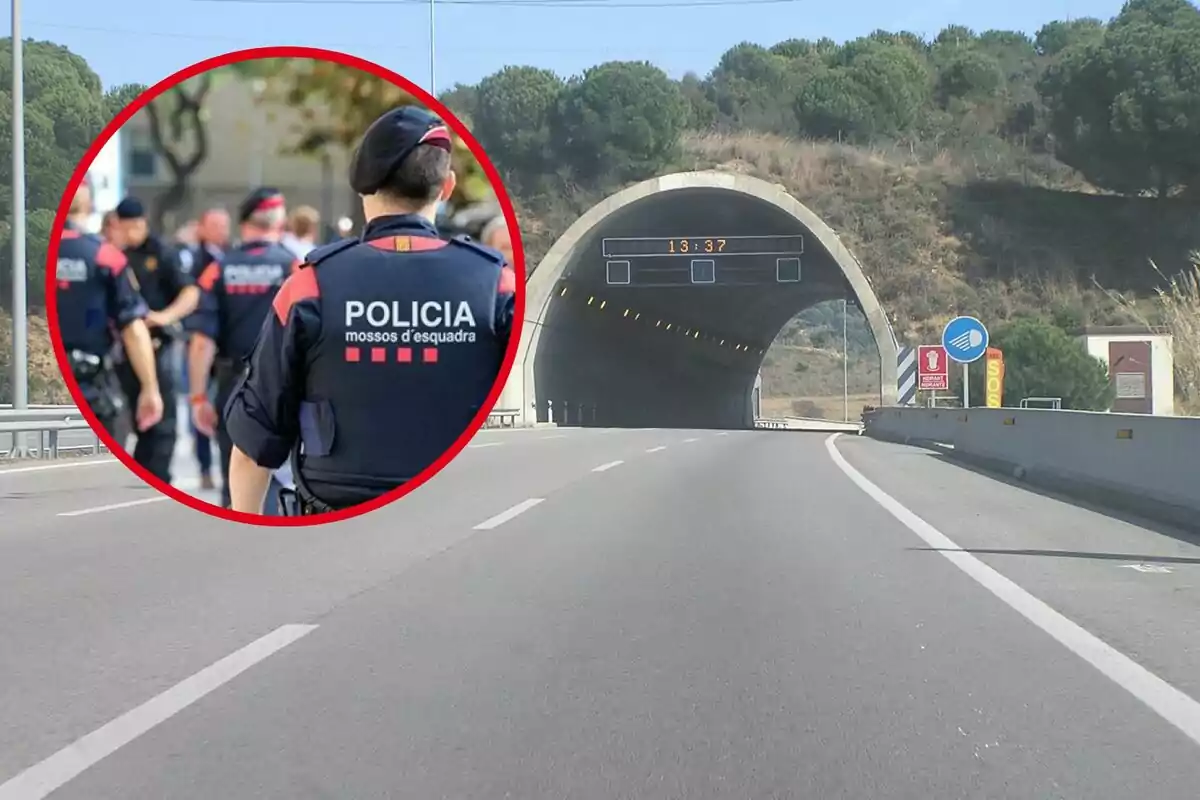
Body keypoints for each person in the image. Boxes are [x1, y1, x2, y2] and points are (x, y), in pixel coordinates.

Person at [223, 106, 517, 516]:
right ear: (446, 187)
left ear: (363, 186)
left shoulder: (310, 286)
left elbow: (254, 446)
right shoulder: (497, 284)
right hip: (462, 518)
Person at [186, 188, 300, 510]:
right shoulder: (296, 269)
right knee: (289, 483)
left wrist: (198, 397)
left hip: (234, 387)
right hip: (287, 389)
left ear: (244, 222)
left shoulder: (219, 270)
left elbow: (201, 343)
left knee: (235, 483)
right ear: (279, 221)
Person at [55, 183, 164, 440]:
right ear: (89, 205)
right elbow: (133, 328)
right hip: (91, 388)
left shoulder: (24, 251)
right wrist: (150, 387)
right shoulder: (105, 256)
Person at [113, 197, 201, 484]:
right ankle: (142, 475)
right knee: (135, 418)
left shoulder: (162, 253)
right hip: (123, 347)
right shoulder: (116, 253)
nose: (126, 235)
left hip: (157, 343)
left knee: (163, 422)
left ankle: (158, 478)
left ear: (140, 224)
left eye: (130, 229)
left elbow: (190, 293)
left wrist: (164, 316)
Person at [186, 207, 231, 491]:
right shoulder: (194, 261)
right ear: (201, 228)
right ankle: (205, 466)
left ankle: (228, 463)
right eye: (215, 225)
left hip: (228, 347)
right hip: (202, 340)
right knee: (201, 404)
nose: (221, 231)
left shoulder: (231, 258)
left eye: (224, 225)